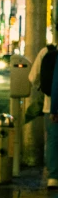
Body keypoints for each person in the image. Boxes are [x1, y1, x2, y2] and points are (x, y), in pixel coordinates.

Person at [39, 46, 58, 189]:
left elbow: (55, 83)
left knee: (52, 140)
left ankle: (53, 177)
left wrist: (53, 109)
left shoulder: (47, 53)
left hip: (51, 106)